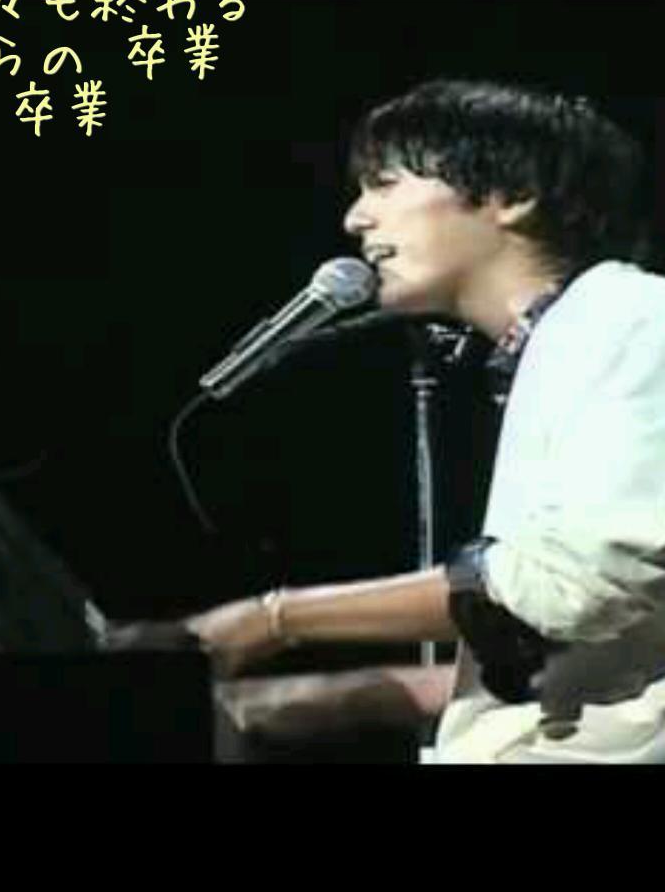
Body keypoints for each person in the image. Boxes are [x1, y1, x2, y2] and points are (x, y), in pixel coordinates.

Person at [122, 79, 665, 763]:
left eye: (383, 184)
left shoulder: (633, 317)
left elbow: (574, 582)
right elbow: (584, 665)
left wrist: (271, 621)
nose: (356, 218)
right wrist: (289, 702)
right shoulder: (575, 341)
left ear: (512, 196)